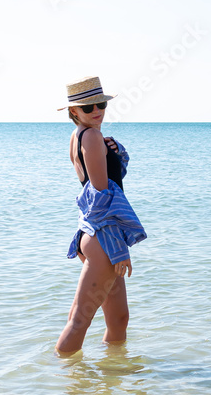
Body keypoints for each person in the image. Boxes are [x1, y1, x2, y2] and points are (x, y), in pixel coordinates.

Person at [55, 76, 146, 355]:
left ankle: (113, 380)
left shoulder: (84, 136)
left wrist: (116, 154)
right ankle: (69, 385)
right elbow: (101, 198)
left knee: (119, 321)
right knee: (80, 320)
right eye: (89, 107)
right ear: (74, 112)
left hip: (96, 236)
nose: (97, 111)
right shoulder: (91, 136)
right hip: (103, 240)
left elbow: (108, 181)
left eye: (101, 105)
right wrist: (118, 250)